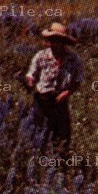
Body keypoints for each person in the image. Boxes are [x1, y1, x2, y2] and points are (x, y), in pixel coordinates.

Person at [25, 22, 83, 151]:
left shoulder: (73, 59)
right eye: (52, 40)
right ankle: (39, 158)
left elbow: (77, 81)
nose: (54, 44)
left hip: (59, 101)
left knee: (62, 135)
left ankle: (59, 161)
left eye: (58, 41)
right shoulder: (40, 56)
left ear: (64, 42)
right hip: (42, 100)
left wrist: (67, 93)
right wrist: (30, 81)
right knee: (39, 132)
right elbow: (31, 74)